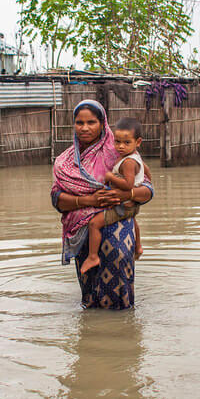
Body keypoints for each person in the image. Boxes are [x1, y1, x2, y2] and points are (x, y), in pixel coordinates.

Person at [51, 100, 154, 310]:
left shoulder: (120, 152)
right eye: (79, 122)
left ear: (102, 123)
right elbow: (57, 198)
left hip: (117, 223)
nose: (85, 127)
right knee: (89, 290)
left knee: (119, 271)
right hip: (83, 229)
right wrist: (88, 201)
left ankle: (123, 326)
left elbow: (148, 188)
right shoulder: (64, 161)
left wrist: (127, 192)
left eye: (91, 122)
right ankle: (93, 331)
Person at [79, 117, 145, 274]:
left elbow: (128, 185)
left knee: (95, 224)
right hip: (131, 206)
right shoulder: (134, 157)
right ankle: (138, 246)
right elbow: (146, 173)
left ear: (138, 142)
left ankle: (93, 256)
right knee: (133, 220)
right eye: (117, 142)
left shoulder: (128, 162)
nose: (120, 146)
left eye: (126, 142)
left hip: (123, 205)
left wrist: (110, 177)